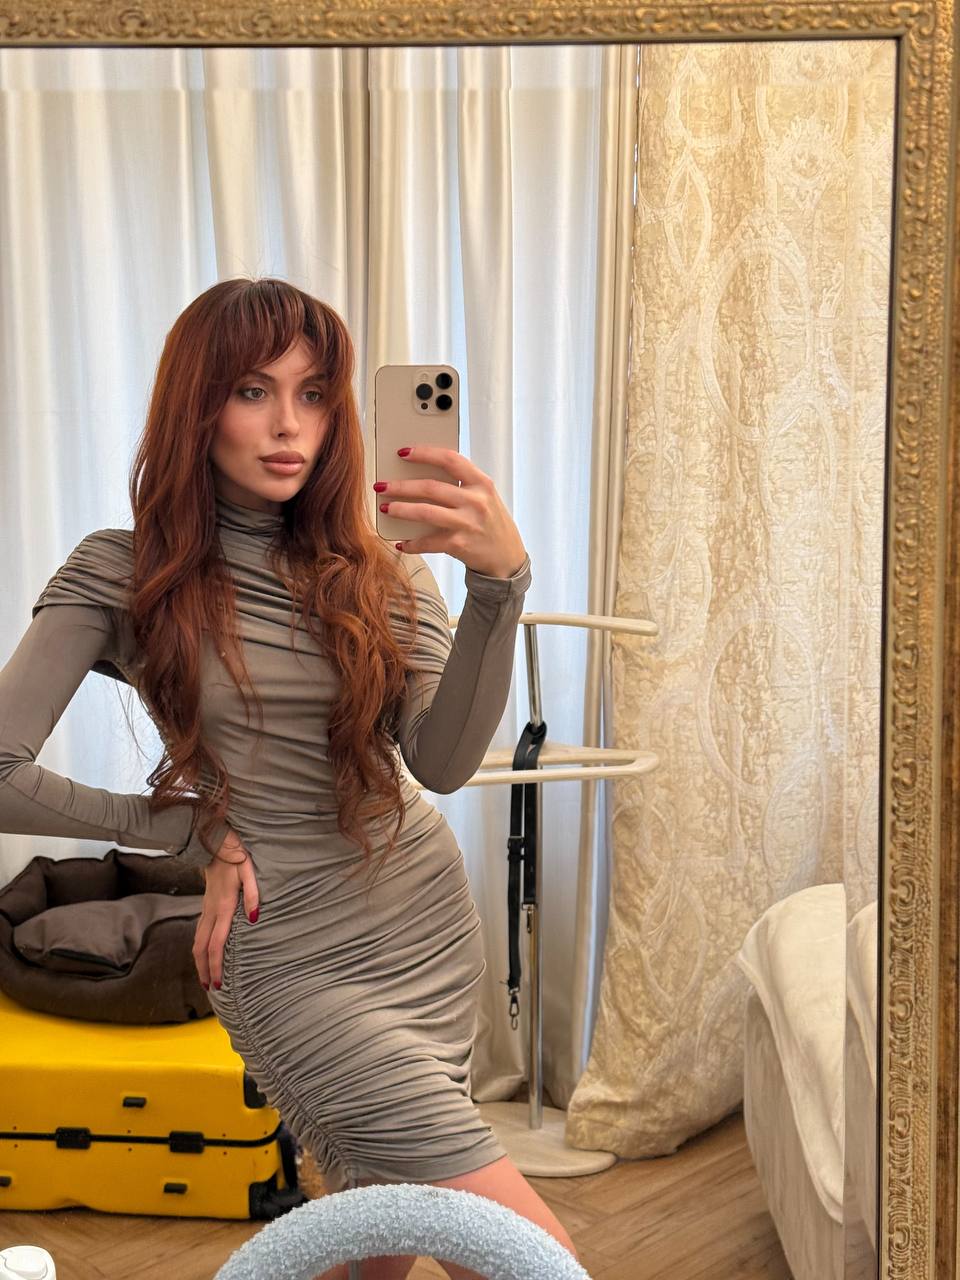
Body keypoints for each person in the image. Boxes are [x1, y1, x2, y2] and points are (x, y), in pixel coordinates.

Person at [0, 278, 579, 1280]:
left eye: (314, 394)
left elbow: (440, 763)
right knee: (530, 1259)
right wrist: (189, 828)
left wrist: (498, 586)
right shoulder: (122, 571)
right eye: (253, 390)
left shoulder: (386, 568)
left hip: (425, 931)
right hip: (290, 957)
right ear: (197, 405)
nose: (288, 424)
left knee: (379, 1236)